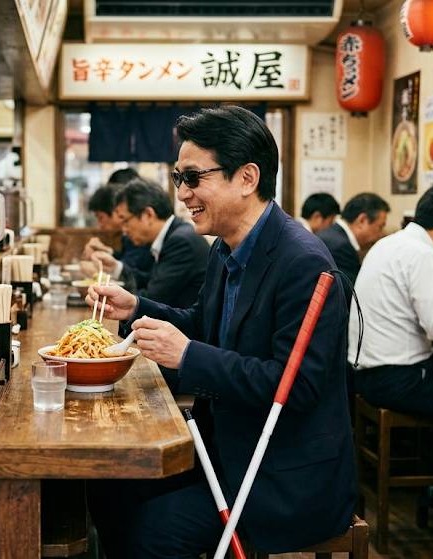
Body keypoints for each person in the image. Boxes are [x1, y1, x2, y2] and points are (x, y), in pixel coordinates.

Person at [86, 106, 356, 558]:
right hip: (228, 448)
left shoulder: (303, 263)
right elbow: (205, 325)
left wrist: (188, 355)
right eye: (178, 179)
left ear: (247, 178)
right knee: (110, 485)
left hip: (282, 475)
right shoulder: (226, 247)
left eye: (194, 178)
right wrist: (137, 306)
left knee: (155, 532)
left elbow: (295, 387)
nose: (183, 194)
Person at [350, 183, 433, 425]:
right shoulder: (422, 254)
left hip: (368, 373)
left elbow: (402, 305)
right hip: (395, 378)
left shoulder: (392, 243)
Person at [90, 178, 208, 309]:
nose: (124, 230)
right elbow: (151, 279)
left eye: (125, 221)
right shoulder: (173, 233)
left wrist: (110, 298)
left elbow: (153, 298)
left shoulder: (181, 242)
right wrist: (115, 268)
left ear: (148, 215)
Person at [83, 183, 154, 290]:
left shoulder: (140, 236)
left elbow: (133, 273)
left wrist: (107, 269)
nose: (99, 225)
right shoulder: (128, 236)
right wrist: (107, 252)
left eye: (101, 218)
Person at [316, 192, 390, 285]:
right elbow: (354, 292)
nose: (381, 234)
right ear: (362, 220)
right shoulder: (340, 247)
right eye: (380, 227)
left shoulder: (331, 236)